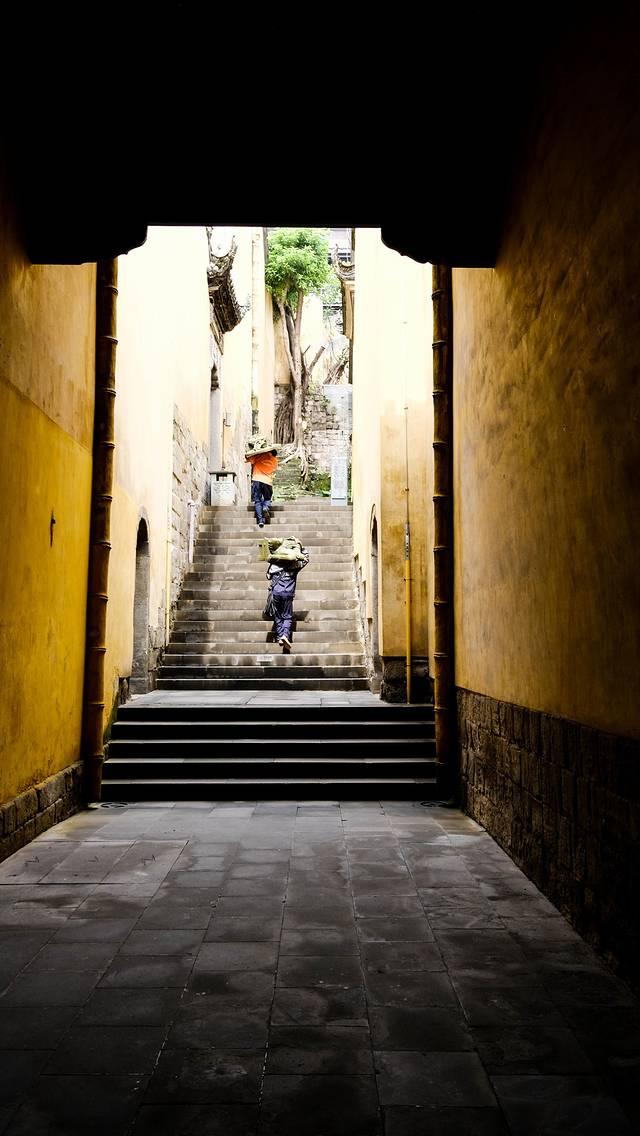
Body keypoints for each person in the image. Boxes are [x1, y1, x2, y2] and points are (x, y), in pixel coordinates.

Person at [265, 539, 309, 652]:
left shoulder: (273, 564)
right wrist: (299, 546)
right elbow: (306, 559)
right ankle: (285, 635)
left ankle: (280, 637)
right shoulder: (294, 565)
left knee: (278, 616)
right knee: (287, 616)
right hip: (287, 593)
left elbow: (268, 576)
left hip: (275, 593)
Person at [245, 440, 278, 528]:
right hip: (267, 481)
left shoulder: (258, 456)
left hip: (256, 480)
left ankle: (260, 521)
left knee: (258, 500)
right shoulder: (275, 460)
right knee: (267, 498)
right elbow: (274, 469)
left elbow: (248, 459)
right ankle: (266, 507)